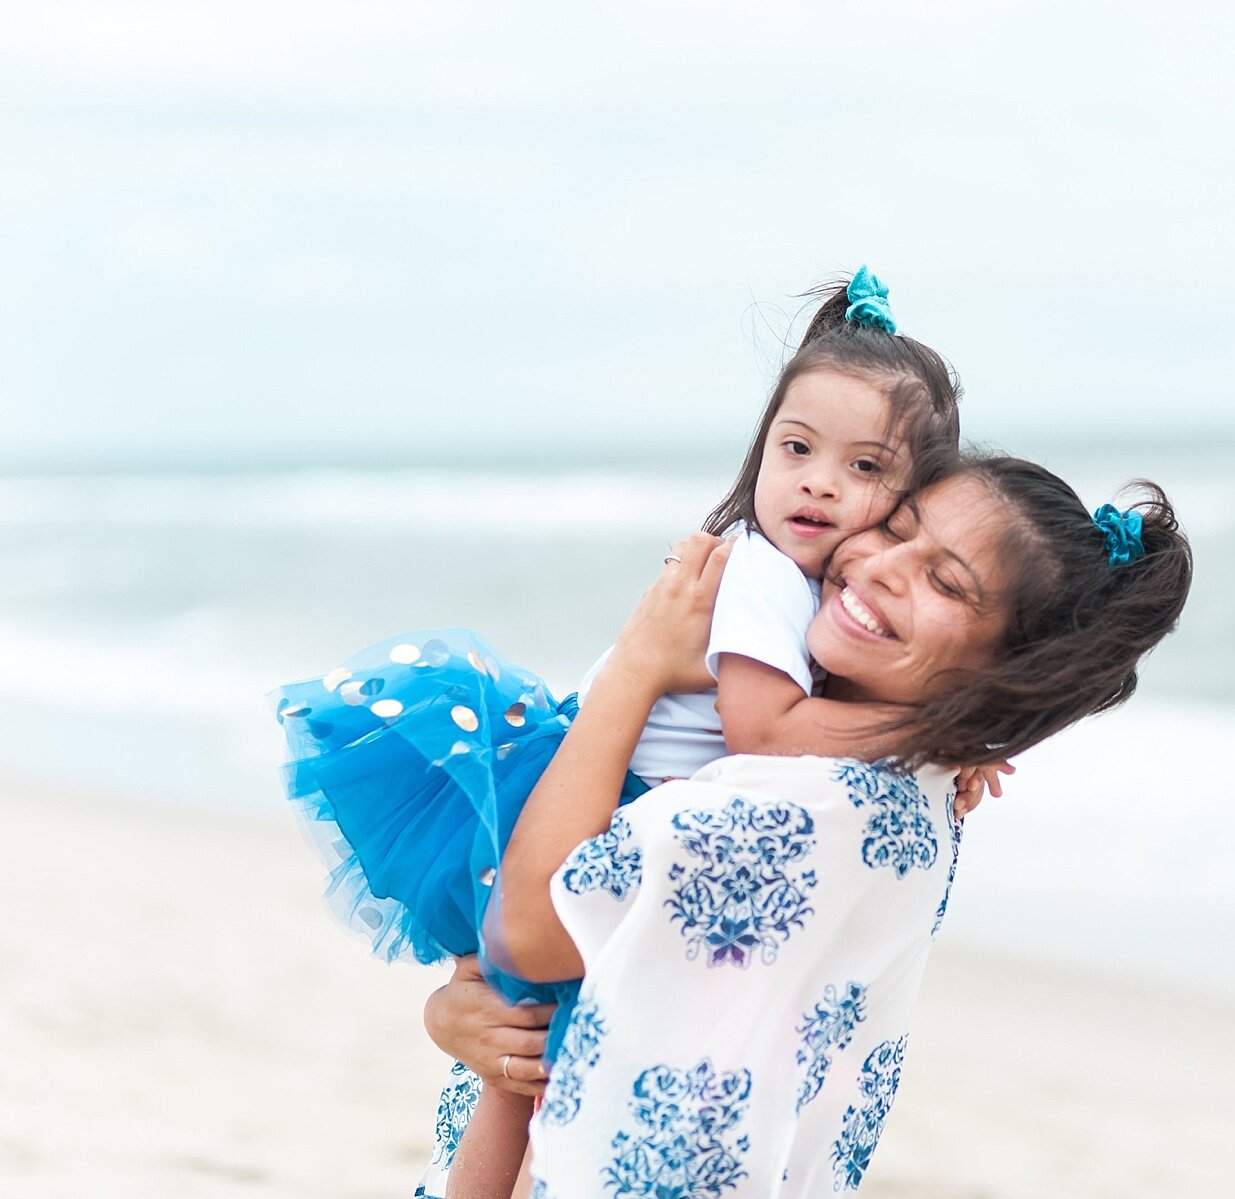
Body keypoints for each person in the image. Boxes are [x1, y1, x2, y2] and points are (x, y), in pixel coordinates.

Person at [270, 268, 1002, 1199]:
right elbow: (764, 729)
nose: (819, 480)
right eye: (797, 448)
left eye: (864, 468)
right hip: (601, 797)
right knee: (535, 1057)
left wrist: (955, 739)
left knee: (524, 1060)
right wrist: (929, 726)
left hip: (594, 798)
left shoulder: (811, 600)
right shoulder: (766, 577)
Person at [424, 455, 1194, 1198]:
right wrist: (465, 1018)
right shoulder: (894, 766)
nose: (886, 565)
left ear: (1006, 668)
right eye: (897, 528)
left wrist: (640, 661)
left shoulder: (808, 805)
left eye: (944, 580)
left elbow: (533, 934)